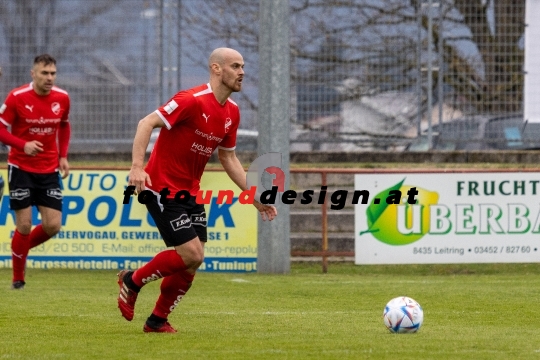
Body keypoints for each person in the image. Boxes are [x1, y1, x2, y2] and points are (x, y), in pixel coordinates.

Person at [117, 47, 277, 333]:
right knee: (192, 254)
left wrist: (254, 195)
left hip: (189, 192)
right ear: (217, 69)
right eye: (235, 66)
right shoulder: (190, 100)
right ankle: (132, 281)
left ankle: (157, 320)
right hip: (160, 187)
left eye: (243, 67)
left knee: (191, 263)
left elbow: (228, 157)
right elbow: (146, 123)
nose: (242, 72)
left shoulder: (232, 112)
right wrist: (137, 166)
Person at [0, 54, 71, 290]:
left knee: (53, 226)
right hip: (20, 168)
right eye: (44, 73)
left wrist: (63, 156)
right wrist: (23, 145)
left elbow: (64, 124)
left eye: (52, 73)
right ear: (33, 74)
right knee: (24, 225)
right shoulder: (17, 97)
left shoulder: (62, 98)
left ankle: (19, 248)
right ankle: (18, 279)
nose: (49, 78)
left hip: (49, 169)